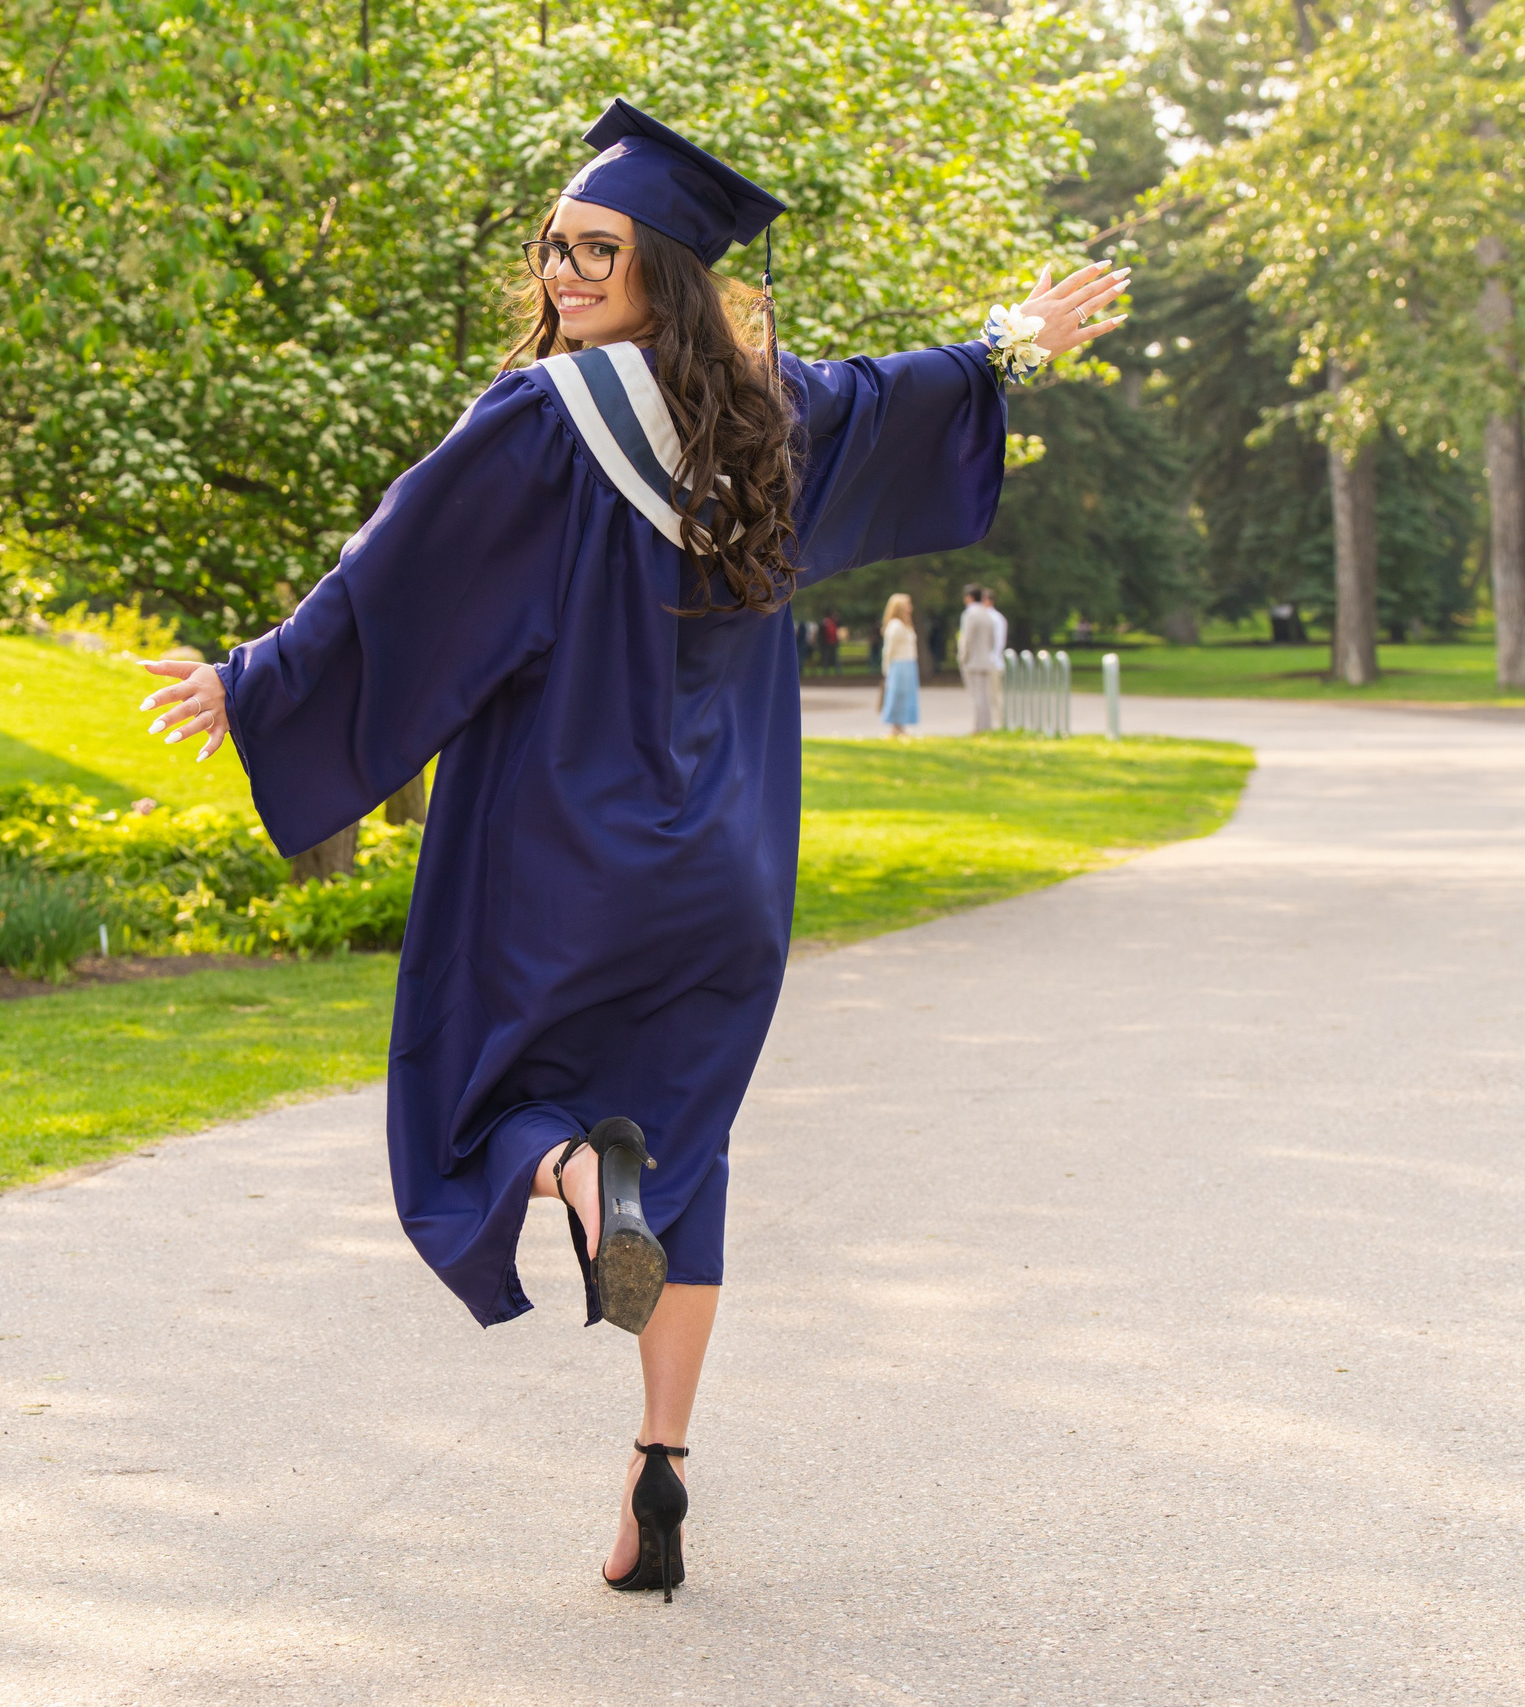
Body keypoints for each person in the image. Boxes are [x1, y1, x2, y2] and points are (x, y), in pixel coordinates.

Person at [139, 98, 1124, 1602]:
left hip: (564, 855)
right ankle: (657, 1469)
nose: (564, 273)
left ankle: (586, 1184)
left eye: (596, 249)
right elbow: (906, 388)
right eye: (555, 246)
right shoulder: (772, 421)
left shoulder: (541, 423)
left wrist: (257, 681)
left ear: (661, 268)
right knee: (690, 1152)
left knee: (484, 1099)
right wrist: (1013, 339)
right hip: (727, 874)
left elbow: (391, 575)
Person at [959, 583, 1005, 732]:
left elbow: (967, 638)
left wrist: (963, 656)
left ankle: (979, 726)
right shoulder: (988, 614)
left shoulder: (970, 614)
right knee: (985, 696)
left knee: (977, 696)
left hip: (974, 661)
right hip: (986, 660)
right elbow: (992, 640)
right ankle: (986, 725)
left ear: (970, 597)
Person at [878, 593, 921, 737]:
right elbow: (889, 651)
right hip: (899, 665)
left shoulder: (905, 624)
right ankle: (896, 726)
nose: (910, 608)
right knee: (897, 695)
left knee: (906, 695)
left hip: (908, 664)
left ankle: (901, 726)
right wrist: (887, 669)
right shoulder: (895, 626)